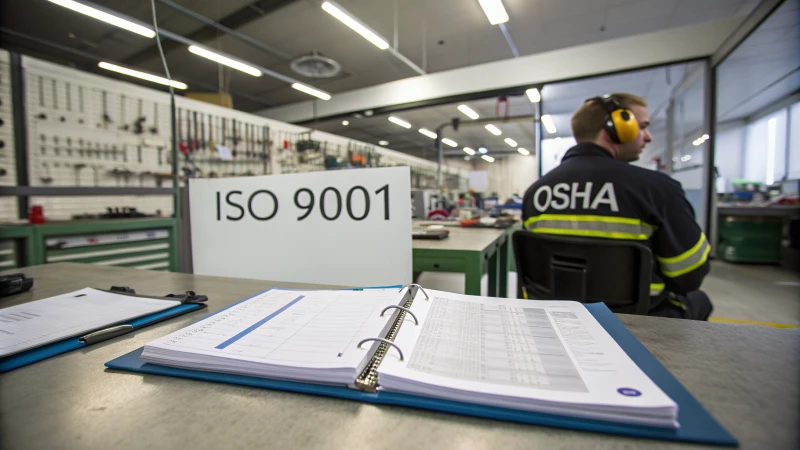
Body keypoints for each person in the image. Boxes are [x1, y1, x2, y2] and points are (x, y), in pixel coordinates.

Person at [522, 93, 712, 320]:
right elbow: (688, 276)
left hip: (558, 316)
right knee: (701, 301)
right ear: (617, 128)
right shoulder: (657, 189)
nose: (648, 137)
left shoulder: (536, 192)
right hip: (641, 320)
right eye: (642, 127)